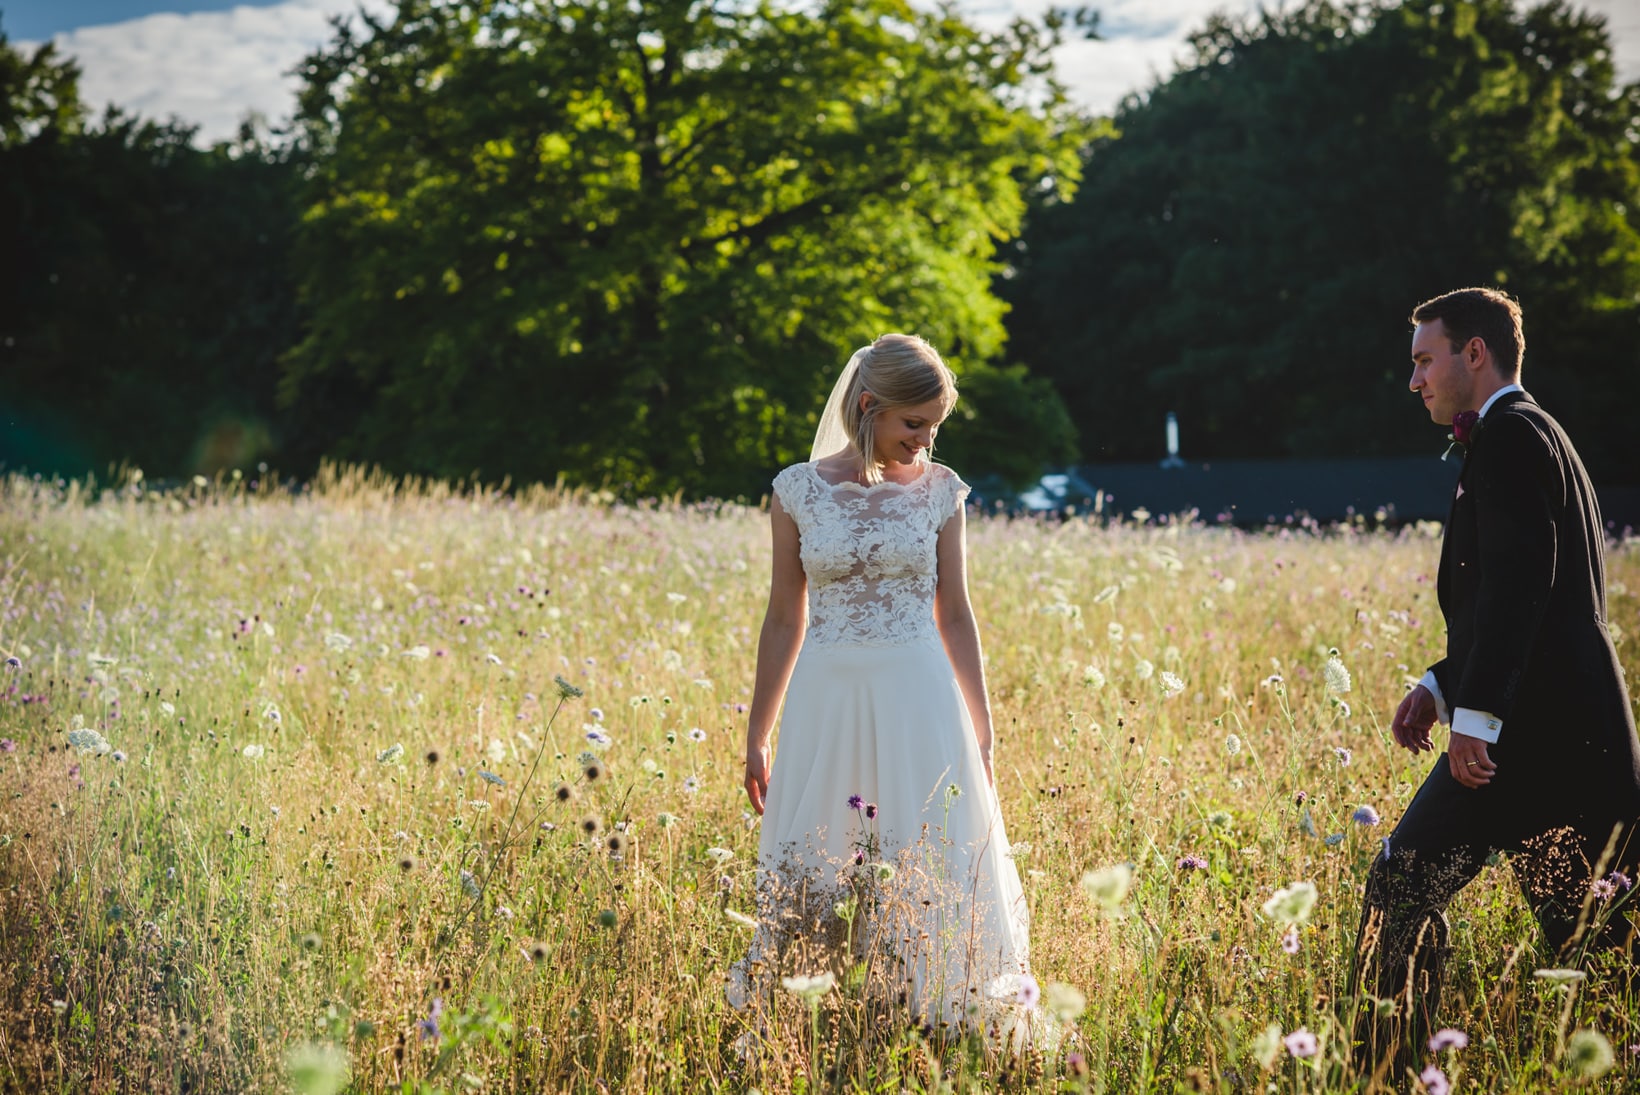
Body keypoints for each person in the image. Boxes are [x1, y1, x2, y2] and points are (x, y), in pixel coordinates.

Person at [1350, 287, 1640, 1083]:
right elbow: (1524, 601)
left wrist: (1474, 718)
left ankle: (1386, 1072)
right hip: (1548, 737)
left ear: (1473, 352)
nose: (1414, 380)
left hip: (1530, 747)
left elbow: (1520, 586)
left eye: (1423, 358)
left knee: (1408, 889)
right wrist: (1442, 688)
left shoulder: (1510, 437)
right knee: (1595, 940)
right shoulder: (1530, 432)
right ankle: (1394, 1067)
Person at [727, 333, 1035, 1045]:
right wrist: (756, 735)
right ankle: (815, 1019)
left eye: (934, 424)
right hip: (826, 699)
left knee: (928, 848)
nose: (925, 439)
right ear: (868, 406)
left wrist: (983, 729)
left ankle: (940, 1019)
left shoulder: (941, 490)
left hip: (920, 697)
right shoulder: (796, 490)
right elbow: (782, 618)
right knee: (820, 850)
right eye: (913, 423)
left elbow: (955, 614)